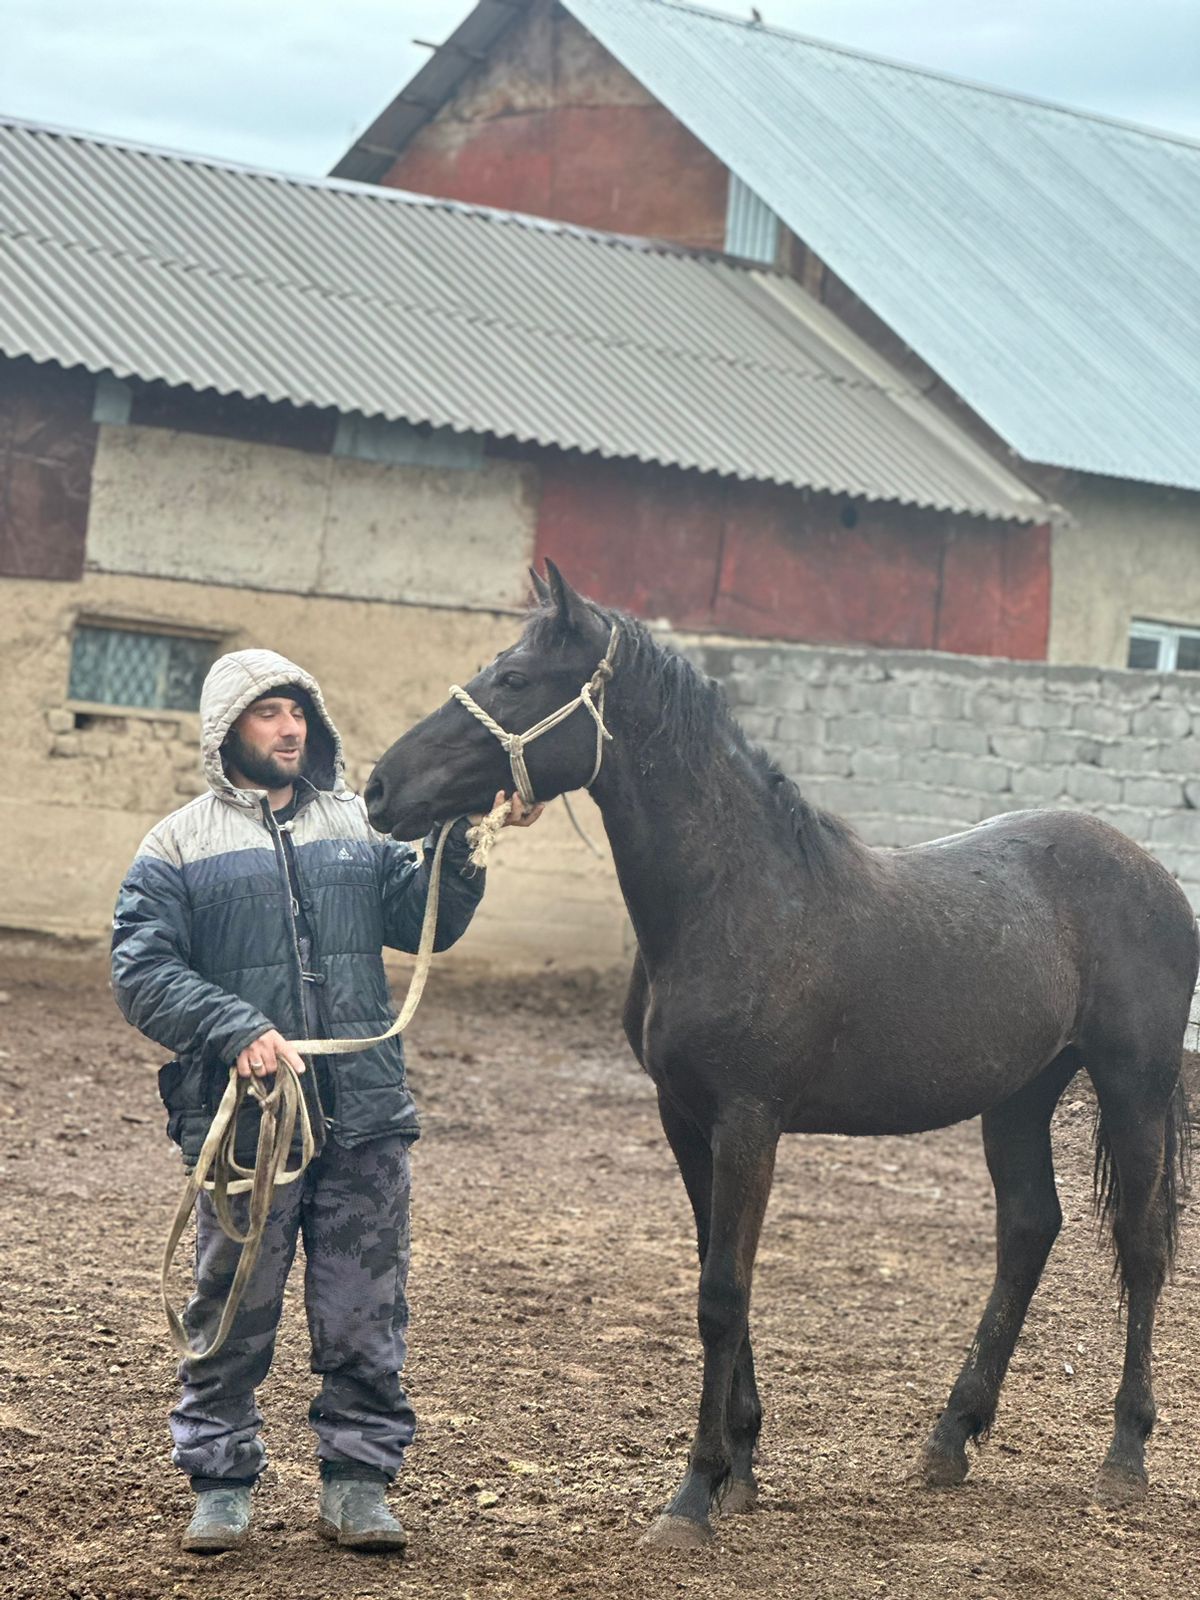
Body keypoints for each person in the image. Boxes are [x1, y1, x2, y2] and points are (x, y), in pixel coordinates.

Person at [111, 648, 542, 1555]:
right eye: (269, 712)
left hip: (366, 1117)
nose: (291, 727)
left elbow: (421, 916)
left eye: (299, 710)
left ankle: (356, 1482)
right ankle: (221, 1483)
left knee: (365, 1310)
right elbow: (141, 969)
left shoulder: (356, 822)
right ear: (229, 727)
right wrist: (234, 1027)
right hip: (250, 1125)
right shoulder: (179, 843)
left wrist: (464, 846)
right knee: (231, 1305)